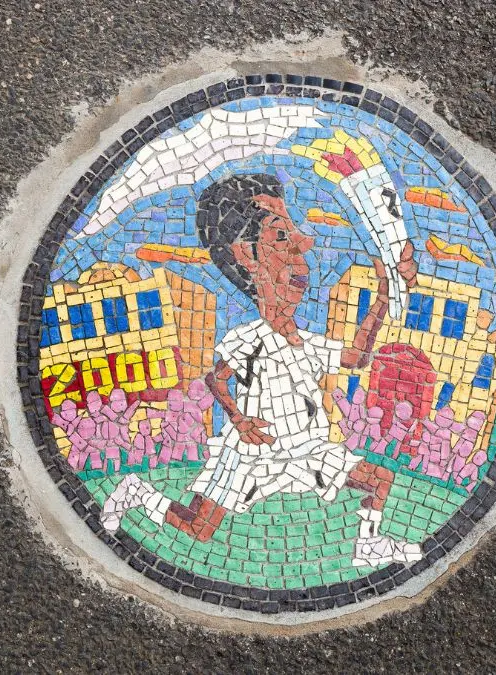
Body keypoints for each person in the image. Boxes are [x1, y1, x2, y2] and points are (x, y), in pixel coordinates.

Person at [102, 174, 422, 566]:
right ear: (246, 255)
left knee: (378, 478)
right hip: (251, 454)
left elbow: (356, 358)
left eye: (296, 234)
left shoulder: (304, 342)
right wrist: (238, 421)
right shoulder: (249, 337)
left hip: (305, 448)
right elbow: (215, 378)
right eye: (283, 237)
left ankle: (368, 543)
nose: (306, 245)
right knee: (199, 528)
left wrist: (385, 297)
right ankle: (137, 493)